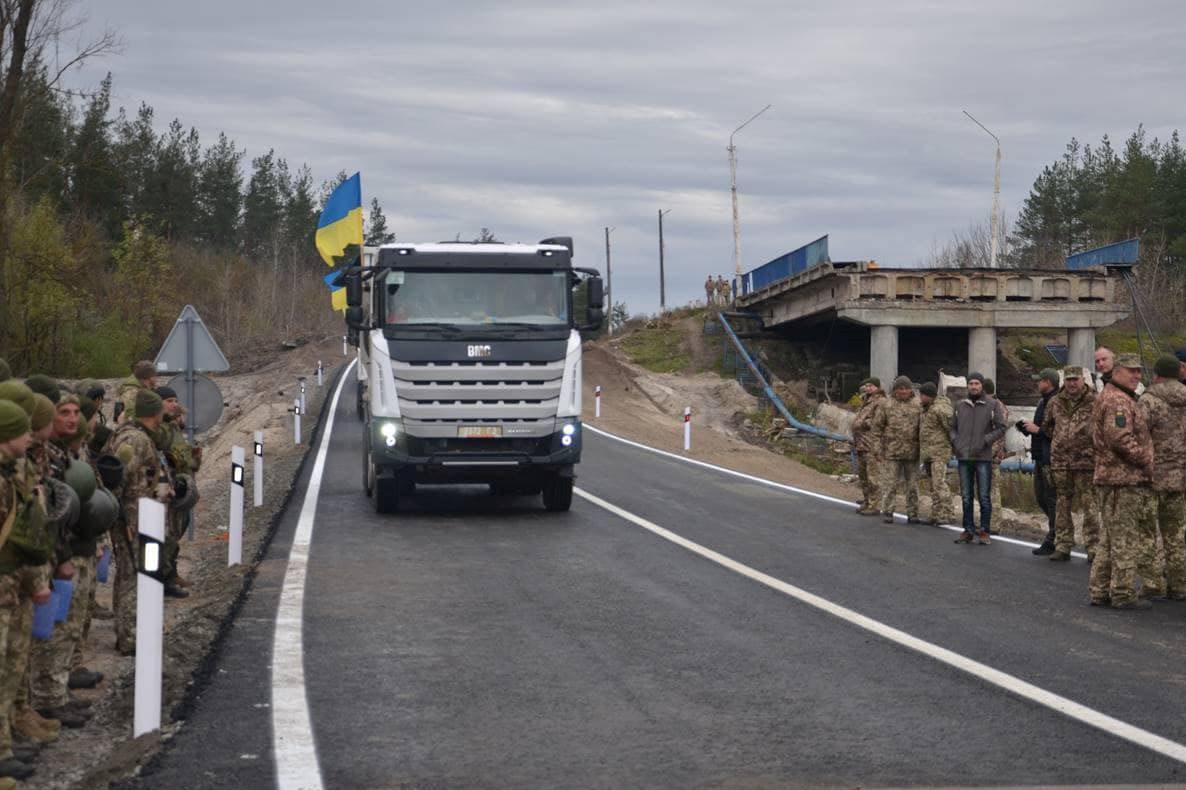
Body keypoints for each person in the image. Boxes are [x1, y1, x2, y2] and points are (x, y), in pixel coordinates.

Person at [0, 399, 50, 784]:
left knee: (10, 666)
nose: (29, 434)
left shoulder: (9, 474)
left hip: (9, 586)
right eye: (22, 429)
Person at [105, 390, 173, 654]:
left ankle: (128, 632)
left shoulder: (139, 436)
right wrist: (121, 519)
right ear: (155, 412)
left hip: (141, 517)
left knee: (130, 574)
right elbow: (119, 480)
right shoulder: (133, 439)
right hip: (133, 520)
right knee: (132, 576)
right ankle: (130, 637)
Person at [1089, 353, 1155, 609]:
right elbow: (1119, 439)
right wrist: (1145, 460)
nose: (1137, 376)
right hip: (1122, 478)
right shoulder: (1118, 401)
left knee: (1109, 537)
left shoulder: (1115, 395)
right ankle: (1122, 593)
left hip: (1113, 477)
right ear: (1117, 371)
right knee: (1125, 538)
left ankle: (1100, 590)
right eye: (1131, 371)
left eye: (1139, 371)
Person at [1134, 354, 1186, 600]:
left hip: (1152, 477)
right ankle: (1179, 584)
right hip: (1181, 478)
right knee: (1175, 534)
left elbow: (1138, 436)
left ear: (1157, 374)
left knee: (1147, 532)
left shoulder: (1149, 400)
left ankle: (1153, 583)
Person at [1043, 367, 1100, 562]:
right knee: (1062, 503)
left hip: (1086, 462)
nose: (1072, 384)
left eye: (1075, 380)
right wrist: (1061, 441)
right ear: (1063, 382)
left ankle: (1093, 547)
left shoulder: (1095, 401)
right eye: (1068, 380)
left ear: (1083, 380)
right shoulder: (1055, 402)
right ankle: (1063, 545)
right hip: (1061, 462)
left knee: (1089, 505)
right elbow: (1048, 426)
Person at [155, 386, 200, 599]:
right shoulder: (160, 430)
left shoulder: (172, 428)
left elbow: (183, 457)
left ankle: (171, 574)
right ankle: (164, 580)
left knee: (176, 533)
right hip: (167, 489)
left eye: (175, 400)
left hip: (179, 487)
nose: (174, 404)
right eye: (169, 400)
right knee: (167, 536)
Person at [950, 372, 1006, 544]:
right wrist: (956, 442)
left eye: (977, 383)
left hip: (983, 457)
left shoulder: (992, 404)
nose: (974, 386)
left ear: (982, 385)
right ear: (967, 385)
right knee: (966, 496)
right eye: (971, 383)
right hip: (964, 457)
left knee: (984, 496)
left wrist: (986, 441)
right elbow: (952, 428)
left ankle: (984, 531)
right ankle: (967, 529)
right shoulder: (959, 405)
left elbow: (1001, 427)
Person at [875, 376, 922, 524]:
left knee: (913, 485)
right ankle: (888, 511)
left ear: (911, 389)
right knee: (890, 484)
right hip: (891, 451)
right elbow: (877, 428)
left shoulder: (918, 404)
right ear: (895, 390)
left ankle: (913, 513)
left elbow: (925, 428)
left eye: (906, 388)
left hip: (913, 452)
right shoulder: (886, 404)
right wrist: (877, 448)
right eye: (900, 388)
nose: (903, 391)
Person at [1022, 369, 1059, 555]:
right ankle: (1058, 531)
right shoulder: (1042, 402)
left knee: (1051, 499)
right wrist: (1028, 428)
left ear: (1048, 382)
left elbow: (1060, 431)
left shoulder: (1057, 402)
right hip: (1039, 457)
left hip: (1050, 459)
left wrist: (1038, 430)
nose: (1038, 384)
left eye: (1040, 381)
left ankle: (1054, 537)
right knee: (1041, 497)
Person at [918, 381, 954, 525]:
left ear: (929, 395)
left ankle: (948, 513)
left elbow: (951, 428)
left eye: (922, 395)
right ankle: (936, 513)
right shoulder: (926, 408)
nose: (920, 397)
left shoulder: (941, 409)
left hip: (939, 452)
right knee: (933, 485)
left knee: (939, 483)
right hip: (928, 452)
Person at [850, 378, 887, 516]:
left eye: (871, 386)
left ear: (877, 387)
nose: (868, 388)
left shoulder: (881, 401)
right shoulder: (866, 400)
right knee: (863, 475)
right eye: (866, 385)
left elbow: (880, 420)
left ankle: (874, 504)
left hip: (871, 443)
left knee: (873, 476)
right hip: (861, 443)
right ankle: (867, 500)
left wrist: (864, 423)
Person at [982, 377, 1008, 516]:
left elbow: (999, 434)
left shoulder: (997, 407)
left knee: (992, 490)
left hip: (991, 456)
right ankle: (986, 520)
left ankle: (994, 522)